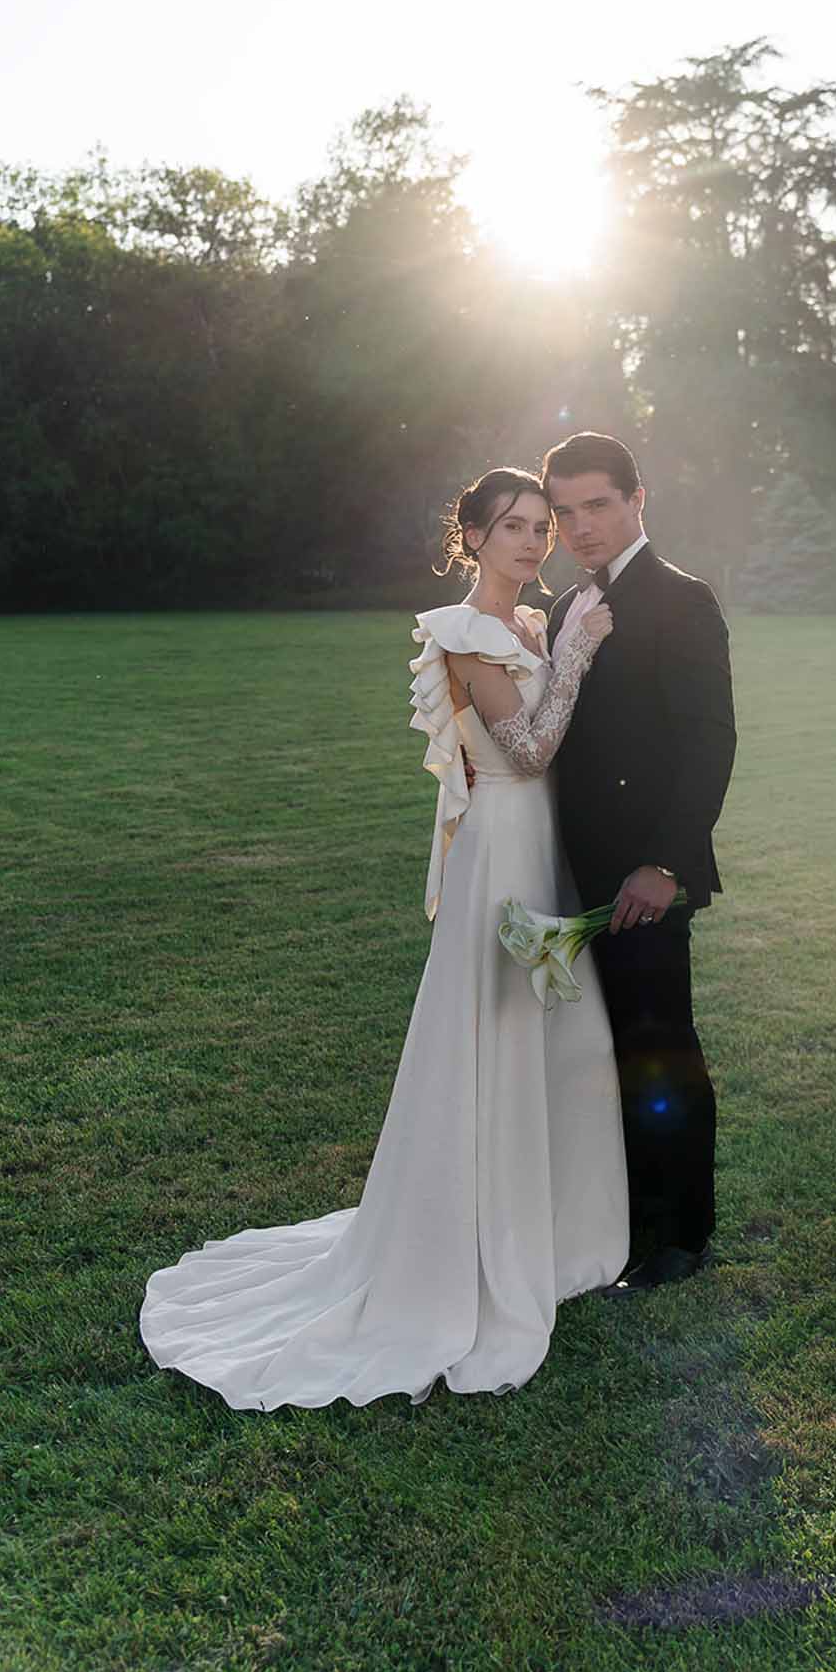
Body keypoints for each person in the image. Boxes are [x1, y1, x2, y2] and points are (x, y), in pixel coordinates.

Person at [139, 467, 628, 1409]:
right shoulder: (467, 633)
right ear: (473, 537)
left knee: (559, 1034)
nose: (534, 542)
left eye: (541, 526)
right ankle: (469, 1243)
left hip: (544, 847)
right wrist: (574, 656)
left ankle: (552, 1226)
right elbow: (527, 751)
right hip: (503, 852)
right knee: (495, 1028)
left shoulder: (531, 623)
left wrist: (559, 644)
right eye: (513, 526)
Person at [543, 432, 737, 1294]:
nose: (580, 526)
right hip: (572, 866)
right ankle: (617, 1217)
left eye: (597, 505)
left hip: (644, 876)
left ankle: (681, 1235)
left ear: (636, 500)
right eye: (564, 512)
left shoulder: (682, 598)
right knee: (598, 1050)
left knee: (659, 1048)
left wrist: (664, 863)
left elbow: (710, 740)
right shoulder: (563, 607)